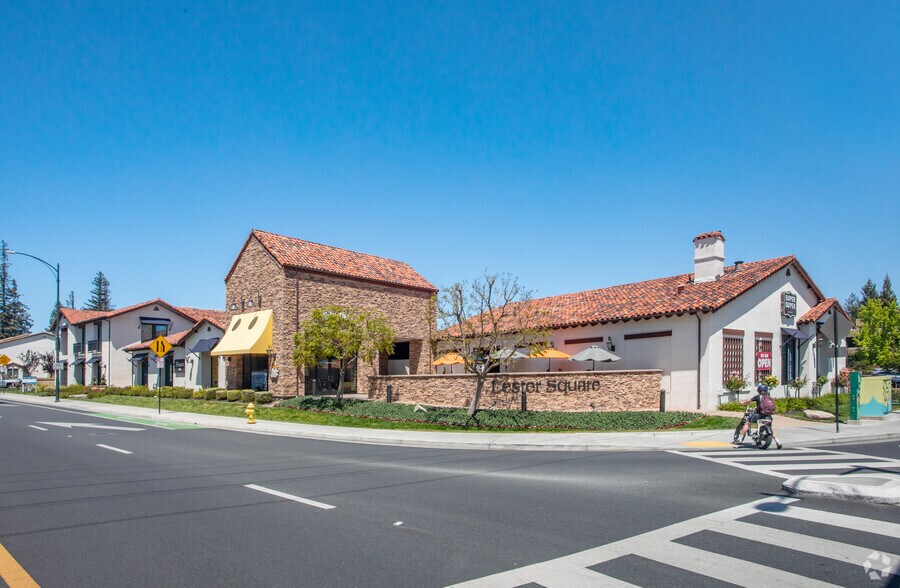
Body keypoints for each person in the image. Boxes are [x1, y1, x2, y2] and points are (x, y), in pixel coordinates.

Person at [733, 384, 782, 449]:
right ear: (766, 390)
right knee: (770, 428)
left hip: (759, 415)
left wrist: (742, 403)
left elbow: (748, 402)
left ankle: (740, 438)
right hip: (768, 416)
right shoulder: (769, 397)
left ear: (758, 390)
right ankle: (778, 441)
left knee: (748, 423)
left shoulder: (758, 397)